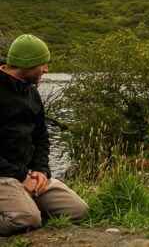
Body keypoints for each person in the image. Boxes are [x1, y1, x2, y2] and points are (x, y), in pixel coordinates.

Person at [0, 34, 88, 236]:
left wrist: (40, 170)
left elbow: (41, 137)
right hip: (4, 175)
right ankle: (23, 210)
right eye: (43, 64)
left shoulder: (32, 92)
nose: (47, 70)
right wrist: (21, 176)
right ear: (27, 64)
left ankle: (23, 204)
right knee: (25, 220)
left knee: (78, 211)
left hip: (30, 175)